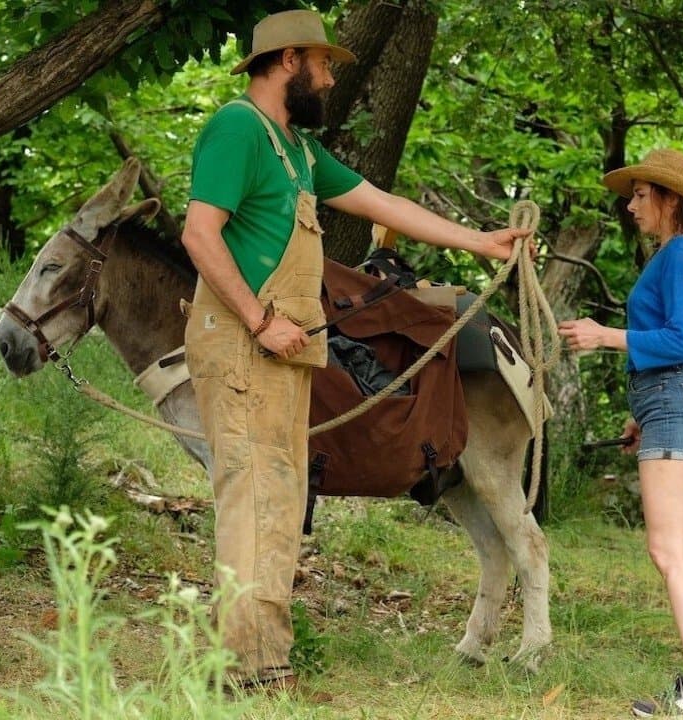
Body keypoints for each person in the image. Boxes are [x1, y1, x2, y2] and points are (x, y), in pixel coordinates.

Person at [179, 9, 532, 694]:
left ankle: (263, 665)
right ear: (290, 62)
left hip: (284, 356)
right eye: (325, 63)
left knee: (279, 500)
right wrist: (257, 321)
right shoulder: (236, 128)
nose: (333, 75)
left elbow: (380, 202)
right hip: (248, 350)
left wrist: (477, 242)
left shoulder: (297, 150)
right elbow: (200, 235)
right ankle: (243, 671)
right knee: (255, 499)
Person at [556, 149, 683, 718]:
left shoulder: (682, 256)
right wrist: (644, 413)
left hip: (680, 405)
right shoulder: (681, 256)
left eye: (642, 194)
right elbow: (682, 352)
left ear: (671, 200)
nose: (631, 203)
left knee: (670, 552)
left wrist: (604, 335)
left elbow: (682, 340)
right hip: (681, 407)